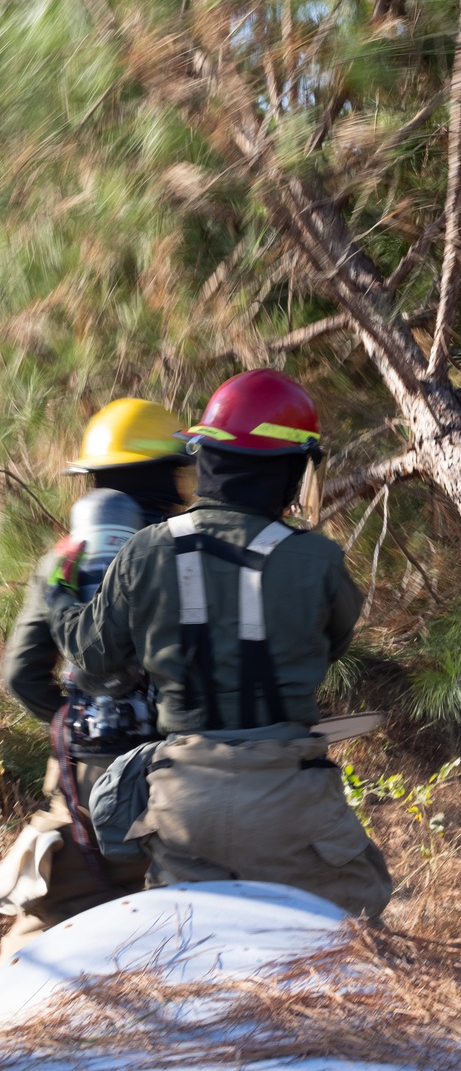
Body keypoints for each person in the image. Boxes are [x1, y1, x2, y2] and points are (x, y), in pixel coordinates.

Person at [47, 368, 391, 919]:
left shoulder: (144, 551)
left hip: (183, 801)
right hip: (290, 795)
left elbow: (91, 658)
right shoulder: (318, 558)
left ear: (206, 457)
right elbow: (331, 644)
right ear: (290, 469)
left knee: (194, 958)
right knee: (347, 938)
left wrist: (60, 593)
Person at [0, 399, 193, 958]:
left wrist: (77, 727)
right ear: (164, 475)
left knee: (52, 923)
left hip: (87, 785)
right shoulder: (197, 553)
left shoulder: (63, 563)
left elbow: (20, 675)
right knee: (193, 926)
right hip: (190, 775)